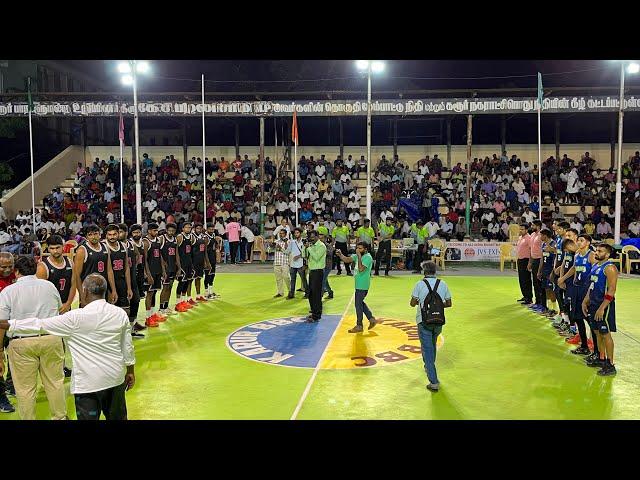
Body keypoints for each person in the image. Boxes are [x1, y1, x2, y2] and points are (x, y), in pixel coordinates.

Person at [0, 274, 136, 420]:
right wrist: (130, 371)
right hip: (114, 379)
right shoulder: (119, 313)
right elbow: (127, 347)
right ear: (105, 291)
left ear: (84, 291)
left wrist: (9, 324)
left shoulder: (74, 318)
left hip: (87, 386)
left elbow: (38, 324)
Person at [0, 256, 67, 420]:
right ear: (36, 270)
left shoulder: (8, 291)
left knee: (24, 389)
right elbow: (59, 309)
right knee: (55, 383)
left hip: (21, 342)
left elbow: (1, 323)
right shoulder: (49, 286)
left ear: (16, 272)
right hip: (50, 338)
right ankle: (60, 417)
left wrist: (0, 351)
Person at [410, 261, 452, 392]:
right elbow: (449, 303)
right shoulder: (443, 284)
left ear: (424, 272)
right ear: (435, 271)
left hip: (424, 321)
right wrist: (437, 306)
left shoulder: (419, 284)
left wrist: (425, 305)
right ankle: (429, 366)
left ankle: (433, 381)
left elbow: (412, 303)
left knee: (427, 350)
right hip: (438, 321)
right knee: (432, 345)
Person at [582, 243, 618, 376]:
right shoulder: (596, 266)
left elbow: (612, 290)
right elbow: (592, 285)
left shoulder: (610, 268)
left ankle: (610, 364)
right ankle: (601, 358)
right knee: (597, 333)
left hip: (604, 306)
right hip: (593, 303)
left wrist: (602, 308)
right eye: (596, 250)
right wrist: (586, 300)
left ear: (607, 254)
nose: (596, 253)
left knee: (605, 333)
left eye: (600, 251)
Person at [559, 234, 595, 355]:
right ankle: (584, 345)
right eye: (578, 240)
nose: (578, 242)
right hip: (577, 289)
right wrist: (563, 278)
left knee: (589, 319)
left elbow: (595, 274)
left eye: (581, 240)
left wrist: (591, 291)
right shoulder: (577, 254)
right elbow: (574, 269)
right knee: (578, 318)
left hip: (587, 291)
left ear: (588, 242)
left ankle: (595, 348)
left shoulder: (591, 255)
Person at [336, 242, 378, 333]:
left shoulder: (368, 257)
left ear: (365, 249)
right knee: (360, 303)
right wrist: (340, 255)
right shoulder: (358, 255)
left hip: (363, 285)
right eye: (357, 248)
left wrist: (358, 256)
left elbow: (361, 269)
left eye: (360, 248)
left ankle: (359, 325)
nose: (358, 250)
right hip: (359, 284)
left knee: (358, 305)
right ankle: (371, 319)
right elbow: (347, 259)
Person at [72, 224, 117, 307]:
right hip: (88, 291)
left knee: (102, 317)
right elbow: (76, 275)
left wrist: (113, 290)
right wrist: (82, 295)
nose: (93, 237)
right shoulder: (82, 250)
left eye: (95, 234)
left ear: (100, 235)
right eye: (90, 234)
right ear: (86, 237)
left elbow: (109, 271)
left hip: (103, 289)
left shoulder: (106, 247)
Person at [104, 224, 133, 313]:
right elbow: (109, 270)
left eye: (114, 234)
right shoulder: (103, 246)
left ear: (118, 234)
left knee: (126, 310)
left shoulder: (123, 246)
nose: (112, 237)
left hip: (121, 281)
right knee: (111, 312)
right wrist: (112, 290)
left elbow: (127, 268)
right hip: (107, 283)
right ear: (106, 235)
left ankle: (127, 326)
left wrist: (129, 287)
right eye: (110, 234)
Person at [123, 224, 146, 335]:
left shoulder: (131, 244)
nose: (121, 234)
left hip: (133, 278)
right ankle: (124, 330)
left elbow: (138, 255)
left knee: (135, 301)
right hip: (121, 280)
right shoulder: (111, 246)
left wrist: (135, 267)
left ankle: (132, 327)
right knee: (123, 306)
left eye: (123, 231)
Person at [0, 252, 15, 413]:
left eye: (10, 266)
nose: (7, 269)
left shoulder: (15, 275)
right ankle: (1, 396)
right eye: (3, 267)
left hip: (11, 325)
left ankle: (11, 386)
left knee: (13, 358)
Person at [142, 223, 166, 325]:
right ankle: (148, 317)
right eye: (154, 231)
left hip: (157, 270)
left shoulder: (157, 240)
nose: (156, 232)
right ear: (149, 231)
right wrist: (148, 274)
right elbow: (145, 260)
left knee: (155, 292)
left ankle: (153, 314)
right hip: (150, 271)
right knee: (150, 294)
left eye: (157, 230)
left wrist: (163, 270)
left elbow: (159, 256)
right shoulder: (146, 242)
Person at [158, 223, 181, 315]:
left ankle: (166, 306)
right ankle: (161, 308)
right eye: (169, 230)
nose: (171, 232)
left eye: (173, 231)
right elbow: (157, 252)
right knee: (165, 287)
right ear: (166, 230)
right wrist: (162, 263)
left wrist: (179, 267)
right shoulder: (161, 238)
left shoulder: (175, 239)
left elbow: (177, 254)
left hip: (173, 267)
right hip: (165, 268)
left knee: (170, 287)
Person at [304, 230, 327, 322]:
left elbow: (317, 258)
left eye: (313, 237)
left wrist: (309, 248)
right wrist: (304, 248)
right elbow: (304, 256)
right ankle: (314, 312)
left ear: (317, 236)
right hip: (312, 271)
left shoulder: (321, 246)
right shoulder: (311, 246)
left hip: (318, 271)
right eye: (310, 237)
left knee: (316, 294)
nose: (311, 239)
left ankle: (316, 315)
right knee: (311, 293)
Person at [175, 222, 195, 313]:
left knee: (187, 282)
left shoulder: (190, 237)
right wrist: (178, 265)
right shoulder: (179, 237)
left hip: (188, 262)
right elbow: (176, 252)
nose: (188, 229)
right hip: (182, 263)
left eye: (190, 227)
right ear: (183, 228)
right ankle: (177, 303)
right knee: (181, 283)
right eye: (186, 227)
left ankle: (183, 301)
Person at [190, 223, 210, 302]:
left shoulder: (203, 237)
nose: (199, 230)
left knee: (198, 278)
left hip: (200, 261)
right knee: (190, 280)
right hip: (193, 261)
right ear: (194, 229)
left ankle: (198, 296)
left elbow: (204, 251)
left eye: (200, 228)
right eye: (197, 228)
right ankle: (188, 298)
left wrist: (206, 261)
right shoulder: (191, 237)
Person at [287, 228, 308, 299]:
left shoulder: (304, 242)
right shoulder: (292, 242)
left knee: (303, 279)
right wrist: (281, 248)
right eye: (295, 233)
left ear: (301, 233)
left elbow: (306, 253)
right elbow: (288, 251)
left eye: (297, 233)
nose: (296, 234)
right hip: (293, 264)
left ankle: (307, 293)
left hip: (301, 264)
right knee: (292, 280)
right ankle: (291, 294)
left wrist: (298, 256)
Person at [516, 223, 533, 306]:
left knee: (526, 279)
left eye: (522, 229)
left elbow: (530, 250)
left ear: (526, 230)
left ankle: (529, 298)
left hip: (526, 260)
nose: (521, 230)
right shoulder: (520, 238)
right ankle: (525, 295)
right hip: (520, 260)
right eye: (520, 229)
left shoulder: (529, 238)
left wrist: (530, 262)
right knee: (521, 279)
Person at [272, 229, 291, 298]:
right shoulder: (276, 241)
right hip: (277, 262)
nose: (281, 235)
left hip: (285, 262)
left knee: (286, 277)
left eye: (282, 233)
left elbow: (287, 251)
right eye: (280, 233)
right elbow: (270, 249)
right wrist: (271, 246)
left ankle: (290, 291)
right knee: (278, 279)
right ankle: (280, 292)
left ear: (285, 234)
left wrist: (280, 248)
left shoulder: (289, 242)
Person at [204, 224, 220, 299]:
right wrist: (206, 261)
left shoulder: (213, 235)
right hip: (208, 259)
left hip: (213, 258)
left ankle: (211, 291)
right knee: (207, 275)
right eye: (210, 229)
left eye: (212, 229)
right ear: (207, 229)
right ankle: (206, 292)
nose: (211, 231)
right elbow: (204, 251)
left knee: (212, 274)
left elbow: (216, 246)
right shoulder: (205, 237)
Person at [320, 233, 334, 300]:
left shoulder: (328, 246)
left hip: (327, 266)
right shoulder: (318, 246)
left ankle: (320, 295)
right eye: (319, 238)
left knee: (323, 280)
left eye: (322, 238)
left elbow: (330, 253)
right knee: (325, 280)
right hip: (320, 266)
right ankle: (330, 292)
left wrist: (322, 249)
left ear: (325, 239)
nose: (320, 240)